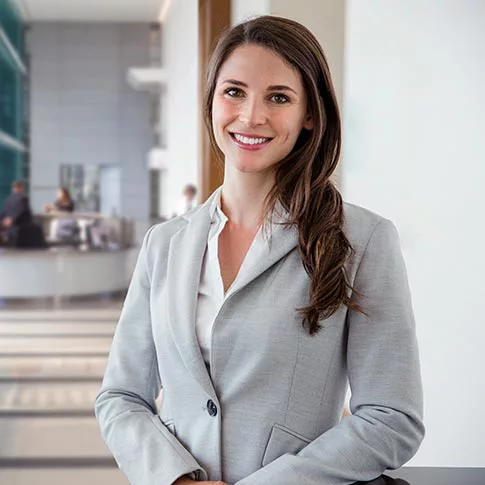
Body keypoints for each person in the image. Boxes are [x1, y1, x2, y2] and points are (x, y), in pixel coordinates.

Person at [95, 16, 424, 485]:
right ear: (210, 100)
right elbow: (122, 397)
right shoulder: (164, 244)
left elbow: (392, 418)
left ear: (310, 114)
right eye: (234, 91)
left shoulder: (363, 240)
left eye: (279, 97)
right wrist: (173, 477)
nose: (251, 116)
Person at [0, 180, 33, 245]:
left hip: (8, 224)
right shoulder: (23, 198)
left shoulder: (8, 199)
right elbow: (23, 212)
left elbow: (3, 212)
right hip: (18, 224)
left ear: (13, 189)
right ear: (21, 188)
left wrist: (3, 221)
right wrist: (11, 220)